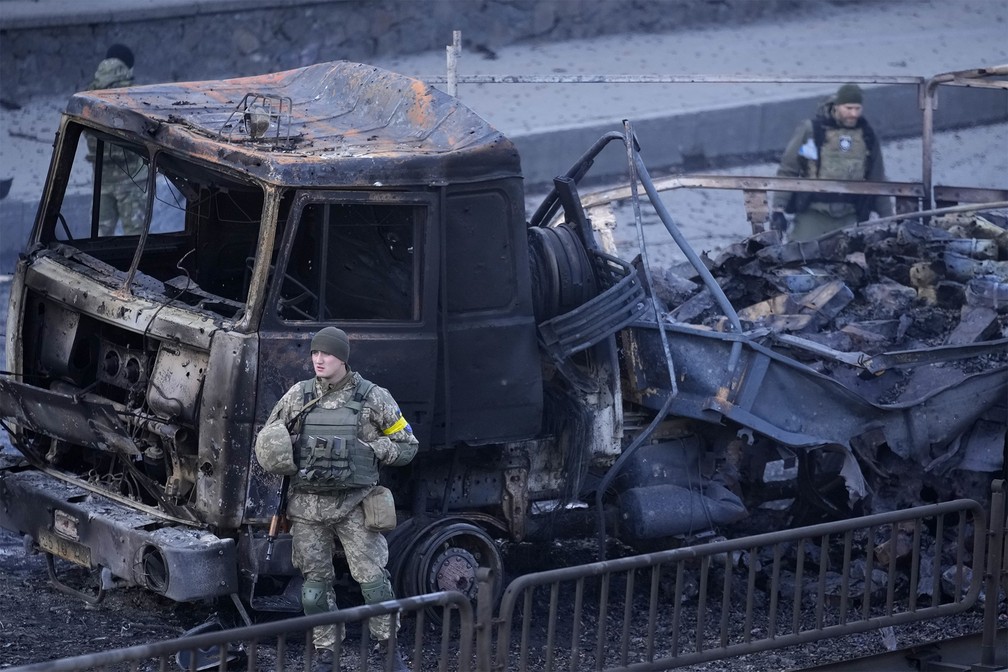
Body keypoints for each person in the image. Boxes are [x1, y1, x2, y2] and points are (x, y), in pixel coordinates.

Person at [255, 327, 417, 671]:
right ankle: (326, 652)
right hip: (307, 508)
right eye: (314, 353)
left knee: (373, 582)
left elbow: (407, 446)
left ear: (342, 357)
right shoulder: (298, 395)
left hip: (355, 505)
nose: (318, 359)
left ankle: (386, 648)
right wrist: (282, 452)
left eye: (326, 354)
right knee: (314, 589)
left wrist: (372, 449)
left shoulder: (373, 397)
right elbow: (269, 435)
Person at [771, 83, 894, 241]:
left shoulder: (867, 136)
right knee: (799, 257)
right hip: (813, 213)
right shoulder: (812, 131)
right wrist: (778, 208)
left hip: (850, 215)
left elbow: (877, 179)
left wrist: (889, 219)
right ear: (837, 106)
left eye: (857, 108)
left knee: (852, 261)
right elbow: (788, 169)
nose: (854, 114)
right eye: (848, 108)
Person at [85, 44, 147, 236]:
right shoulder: (136, 95)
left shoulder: (89, 95)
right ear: (129, 68)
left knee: (97, 240)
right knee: (135, 242)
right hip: (134, 179)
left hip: (101, 180)